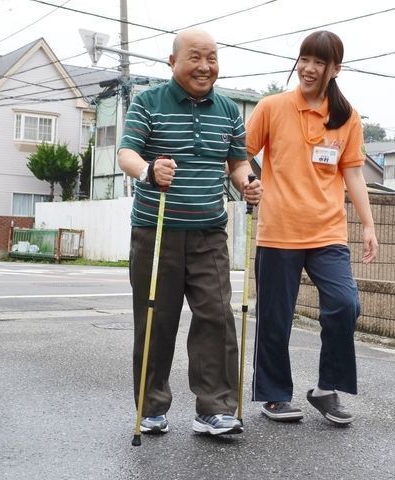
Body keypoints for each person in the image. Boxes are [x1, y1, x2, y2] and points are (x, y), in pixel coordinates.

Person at [118, 28, 261, 436]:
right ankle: (151, 407)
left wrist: (247, 181)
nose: (205, 66)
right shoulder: (148, 102)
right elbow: (127, 152)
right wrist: (148, 169)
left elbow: (237, 163)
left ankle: (215, 408)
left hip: (209, 231)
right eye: (195, 57)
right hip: (156, 229)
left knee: (216, 316)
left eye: (212, 57)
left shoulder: (230, 110)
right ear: (173, 61)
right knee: (156, 318)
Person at [245, 30, 378, 425]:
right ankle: (273, 395)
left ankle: (326, 389)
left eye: (319, 62)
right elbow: (241, 154)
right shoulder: (271, 107)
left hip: (328, 232)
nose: (308, 68)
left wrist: (368, 225)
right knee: (275, 317)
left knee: (344, 304)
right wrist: (247, 184)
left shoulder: (347, 117)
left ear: (335, 69)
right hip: (278, 231)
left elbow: (353, 174)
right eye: (305, 59)